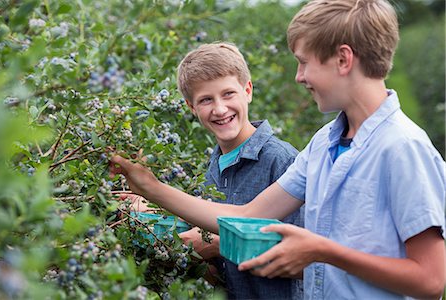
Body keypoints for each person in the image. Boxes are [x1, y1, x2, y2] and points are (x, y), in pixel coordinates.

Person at [109, 0, 446, 299]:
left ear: (343, 59)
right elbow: (245, 216)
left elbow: (431, 281)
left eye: (304, 62)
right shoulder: (324, 144)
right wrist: (150, 187)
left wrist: (323, 252)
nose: (299, 76)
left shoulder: (402, 148)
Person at [125, 42, 304, 299]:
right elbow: (215, 262)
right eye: (206, 100)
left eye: (228, 94)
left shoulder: (282, 161)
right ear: (191, 107)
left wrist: (219, 245)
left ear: (248, 91)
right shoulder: (217, 163)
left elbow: (306, 263)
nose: (220, 109)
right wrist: (155, 219)